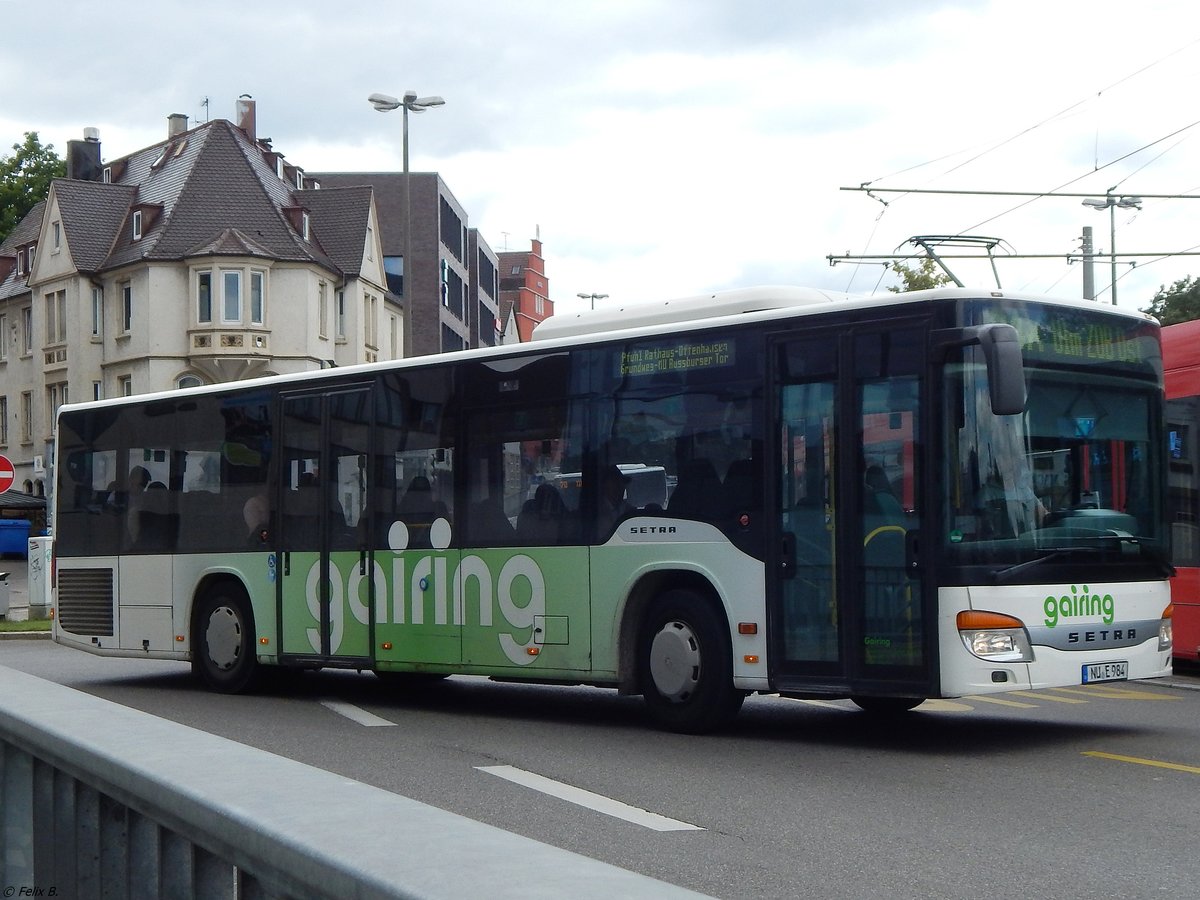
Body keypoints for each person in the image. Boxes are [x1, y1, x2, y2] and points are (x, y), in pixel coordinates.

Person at [597, 465, 632, 535]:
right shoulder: (594, 512)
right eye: (615, 482)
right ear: (604, 485)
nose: (620, 486)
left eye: (622, 482)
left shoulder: (631, 511)